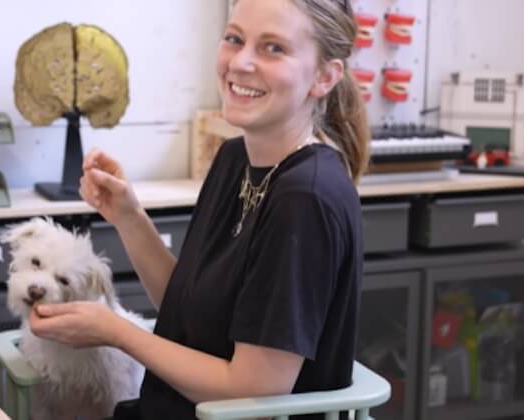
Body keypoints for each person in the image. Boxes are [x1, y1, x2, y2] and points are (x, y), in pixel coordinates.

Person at [28, 0, 370, 418]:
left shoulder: (305, 200)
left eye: (273, 48)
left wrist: (116, 332)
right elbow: (187, 311)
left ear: (324, 76)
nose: (241, 62)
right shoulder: (234, 158)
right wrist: (128, 217)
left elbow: (251, 389)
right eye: (234, 39)